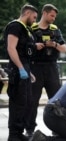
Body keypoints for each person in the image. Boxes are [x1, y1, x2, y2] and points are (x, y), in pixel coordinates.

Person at [26, 4, 66, 137]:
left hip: (51, 68)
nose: (53, 19)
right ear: (44, 13)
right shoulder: (31, 28)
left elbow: (64, 49)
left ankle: (57, 130)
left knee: (56, 101)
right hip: (35, 67)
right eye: (52, 15)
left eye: (55, 16)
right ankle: (30, 129)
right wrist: (34, 46)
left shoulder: (55, 30)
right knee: (32, 100)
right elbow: (24, 47)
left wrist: (54, 44)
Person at [3, 4, 38, 141]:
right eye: (34, 17)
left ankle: (19, 133)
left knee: (26, 103)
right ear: (27, 13)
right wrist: (21, 68)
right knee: (18, 103)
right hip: (17, 71)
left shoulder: (25, 29)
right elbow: (11, 48)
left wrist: (28, 71)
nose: (35, 20)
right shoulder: (15, 26)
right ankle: (14, 135)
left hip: (24, 69)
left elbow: (24, 53)